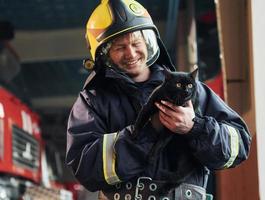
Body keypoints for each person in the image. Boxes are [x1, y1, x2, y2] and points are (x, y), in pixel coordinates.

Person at [66, 0, 252, 199]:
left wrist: (195, 127)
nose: (131, 53)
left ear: (148, 41)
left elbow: (239, 145)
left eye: (136, 43)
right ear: (104, 54)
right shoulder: (93, 101)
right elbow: (85, 168)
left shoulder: (193, 90)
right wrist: (147, 132)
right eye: (120, 47)